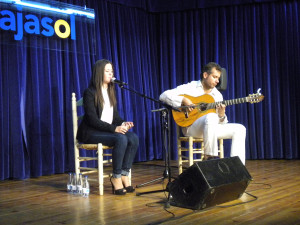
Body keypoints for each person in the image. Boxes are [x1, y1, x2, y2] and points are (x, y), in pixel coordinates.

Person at [159, 62, 246, 164]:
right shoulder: (191, 87)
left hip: (211, 129)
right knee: (212, 116)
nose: (217, 81)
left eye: (218, 78)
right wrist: (183, 99)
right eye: (215, 77)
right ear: (205, 75)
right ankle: (210, 158)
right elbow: (163, 95)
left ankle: (237, 168)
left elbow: (221, 123)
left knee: (240, 129)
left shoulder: (217, 95)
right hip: (192, 127)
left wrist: (222, 115)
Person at [77, 59, 139, 195]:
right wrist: (114, 129)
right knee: (121, 139)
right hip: (91, 132)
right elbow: (92, 120)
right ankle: (115, 177)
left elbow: (114, 118)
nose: (111, 74)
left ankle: (124, 174)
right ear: (99, 73)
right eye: (107, 71)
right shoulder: (89, 92)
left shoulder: (110, 92)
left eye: (112, 71)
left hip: (106, 131)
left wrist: (123, 123)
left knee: (133, 138)